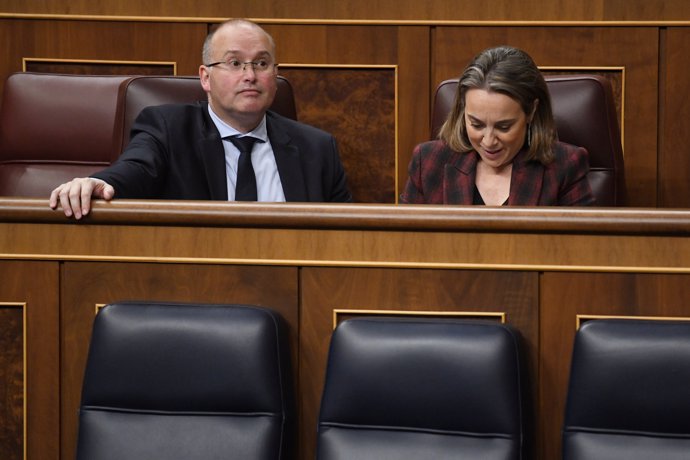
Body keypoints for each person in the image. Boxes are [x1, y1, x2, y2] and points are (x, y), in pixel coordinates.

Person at [50, 19, 352, 219]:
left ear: (275, 74)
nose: (250, 75)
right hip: (198, 293)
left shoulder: (318, 149)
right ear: (205, 78)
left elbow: (346, 237)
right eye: (234, 63)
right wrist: (97, 182)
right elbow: (135, 169)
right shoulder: (168, 130)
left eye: (261, 63)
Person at [400, 45, 594, 206]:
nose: (489, 141)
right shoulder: (428, 162)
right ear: (462, 110)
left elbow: (581, 248)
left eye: (503, 127)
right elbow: (404, 245)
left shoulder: (565, 166)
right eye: (476, 124)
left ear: (531, 111)